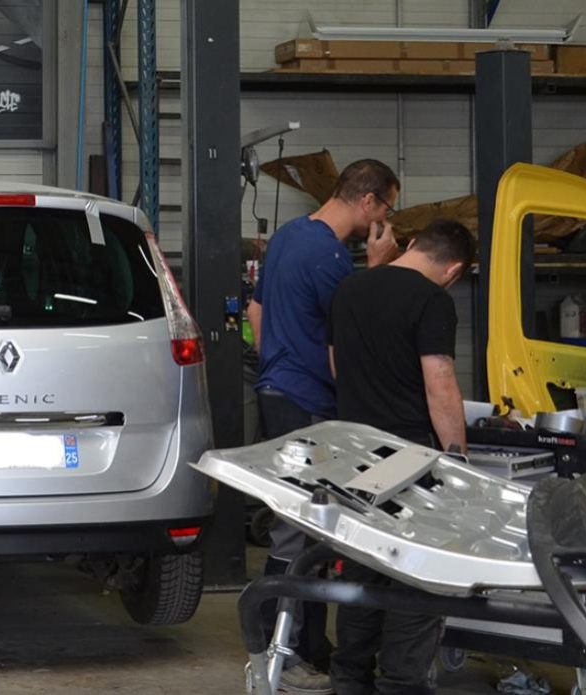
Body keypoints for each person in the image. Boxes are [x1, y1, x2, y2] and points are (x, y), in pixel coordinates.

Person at [245, 159, 400, 694]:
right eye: (388, 208)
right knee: (302, 530)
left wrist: (276, 366)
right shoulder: (333, 259)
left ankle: (306, 647)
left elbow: (256, 311)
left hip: (277, 393)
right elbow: (354, 334)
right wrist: (379, 268)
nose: (386, 219)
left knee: (304, 524)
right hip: (309, 404)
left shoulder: (289, 237)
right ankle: (281, 654)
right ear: (369, 202)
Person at [327, 217, 475, 695]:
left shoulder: (349, 288)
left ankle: (349, 676)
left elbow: (336, 366)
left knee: (362, 565)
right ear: (453, 269)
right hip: (410, 457)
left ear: (411, 244)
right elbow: (441, 383)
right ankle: (401, 684)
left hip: (353, 454)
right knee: (415, 574)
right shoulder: (432, 301)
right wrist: (457, 458)